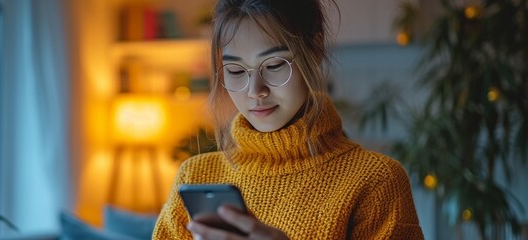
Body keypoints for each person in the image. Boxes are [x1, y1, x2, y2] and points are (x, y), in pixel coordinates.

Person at [152, 0, 424, 239]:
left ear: (315, 50)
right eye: (235, 70)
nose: (255, 90)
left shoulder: (375, 181)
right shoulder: (197, 177)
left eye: (274, 65)